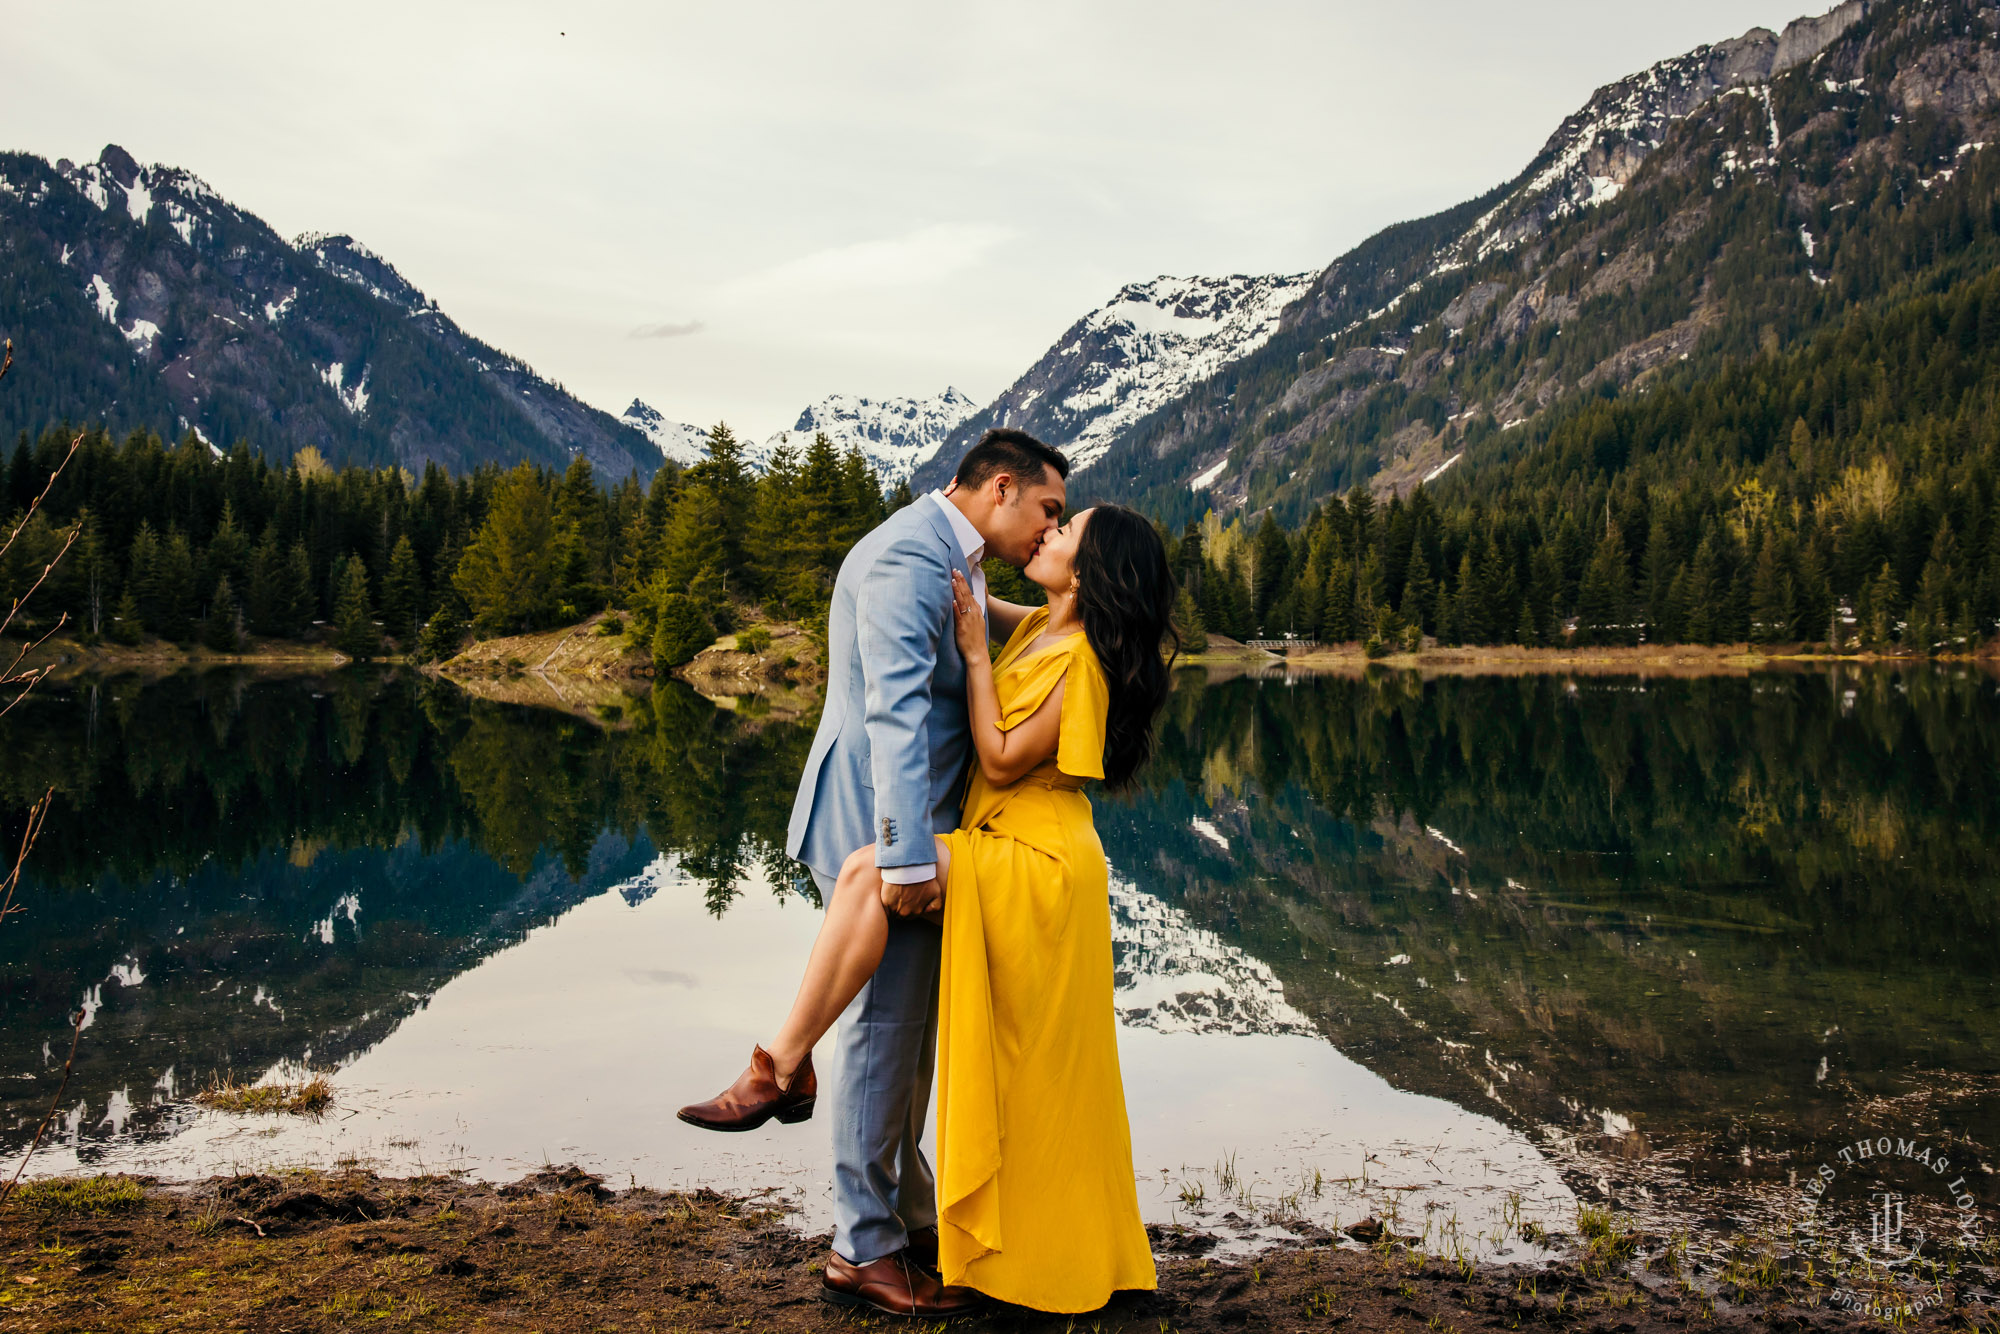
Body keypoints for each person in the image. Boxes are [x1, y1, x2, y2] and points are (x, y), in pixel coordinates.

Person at [682, 485, 1180, 1316]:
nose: (1051, 532)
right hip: (1002, 843)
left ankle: (781, 1067)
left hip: (1038, 859)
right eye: (1052, 516)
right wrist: (961, 571)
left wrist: (975, 657)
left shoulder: (1084, 654)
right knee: (864, 877)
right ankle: (784, 1069)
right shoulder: (1050, 623)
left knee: (867, 875)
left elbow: (1002, 753)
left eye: (1068, 530)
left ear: (1091, 577)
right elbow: (990, 598)